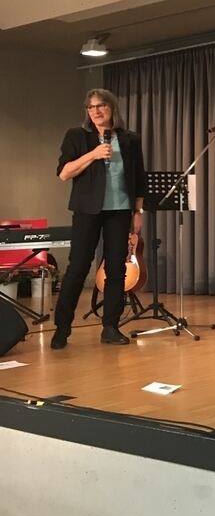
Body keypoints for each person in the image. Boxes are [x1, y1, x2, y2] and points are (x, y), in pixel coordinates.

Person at [52, 88, 146, 349]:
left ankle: (110, 327)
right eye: (91, 107)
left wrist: (137, 212)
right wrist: (93, 154)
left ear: (111, 108)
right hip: (87, 211)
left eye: (101, 106)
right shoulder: (77, 136)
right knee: (78, 267)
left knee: (116, 269)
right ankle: (62, 328)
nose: (95, 111)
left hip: (120, 210)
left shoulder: (129, 139)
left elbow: (139, 177)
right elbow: (64, 173)